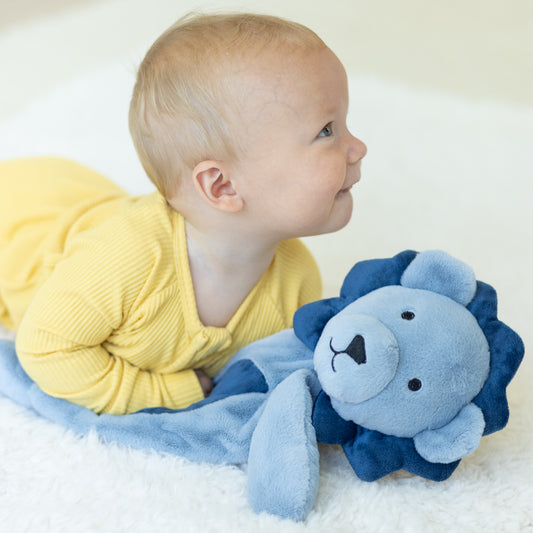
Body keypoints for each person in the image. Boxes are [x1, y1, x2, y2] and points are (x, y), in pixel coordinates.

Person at [0, 12, 367, 414]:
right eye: (326, 131)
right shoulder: (123, 262)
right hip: (18, 208)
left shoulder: (297, 280)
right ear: (222, 186)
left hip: (84, 195)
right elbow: (46, 349)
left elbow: (269, 376)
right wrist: (169, 393)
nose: (359, 147)